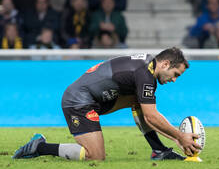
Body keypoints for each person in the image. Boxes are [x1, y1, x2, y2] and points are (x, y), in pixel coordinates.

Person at [12, 47, 202, 161]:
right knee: (95, 156)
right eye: (176, 74)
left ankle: (159, 150)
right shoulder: (145, 75)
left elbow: (148, 114)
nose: (174, 80)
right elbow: (151, 116)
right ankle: (40, 147)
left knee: (139, 102)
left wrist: (175, 139)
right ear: (166, 64)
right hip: (78, 101)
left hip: (97, 98)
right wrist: (180, 136)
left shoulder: (148, 65)